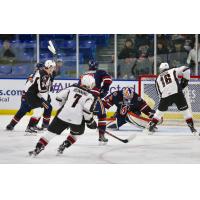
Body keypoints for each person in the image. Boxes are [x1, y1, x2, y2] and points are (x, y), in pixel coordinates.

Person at [29, 75, 97, 156]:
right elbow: (86, 111)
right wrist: (90, 122)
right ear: (90, 84)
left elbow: (59, 97)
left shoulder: (72, 88)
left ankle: (38, 148)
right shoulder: (90, 96)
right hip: (77, 120)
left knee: (50, 133)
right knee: (76, 134)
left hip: (62, 115)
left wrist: (65, 106)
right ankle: (65, 145)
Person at [145, 63, 197, 134]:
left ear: (160, 69)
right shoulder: (173, 70)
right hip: (177, 93)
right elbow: (186, 69)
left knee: (159, 113)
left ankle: (151, 128)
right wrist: (185, 81)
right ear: (168, 67)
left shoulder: (157, 78)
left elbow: (159, 93)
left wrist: (163, 103)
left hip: (165, 96)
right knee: (185, 112)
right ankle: (192, 129)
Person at [6, 60, 55, 133]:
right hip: (28, 95)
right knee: (23, 110)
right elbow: (34, 87)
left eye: (39, 68)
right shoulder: (36, 75)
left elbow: (46, 88)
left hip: (35, 95)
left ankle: (34, 125)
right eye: (37, 68)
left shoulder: (45, 75)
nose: (37, 69)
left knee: (41, 109)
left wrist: (50, 81)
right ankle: (12, 125)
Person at [79, 60, 112, 143]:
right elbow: (108, 80)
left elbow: (78, 86)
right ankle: (101, 135)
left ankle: (71, 127)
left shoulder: (84, 74)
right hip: (94, 97)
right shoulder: (100, 72)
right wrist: (104, 90)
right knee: (102, 115)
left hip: (83, 98)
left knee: (80, 114)